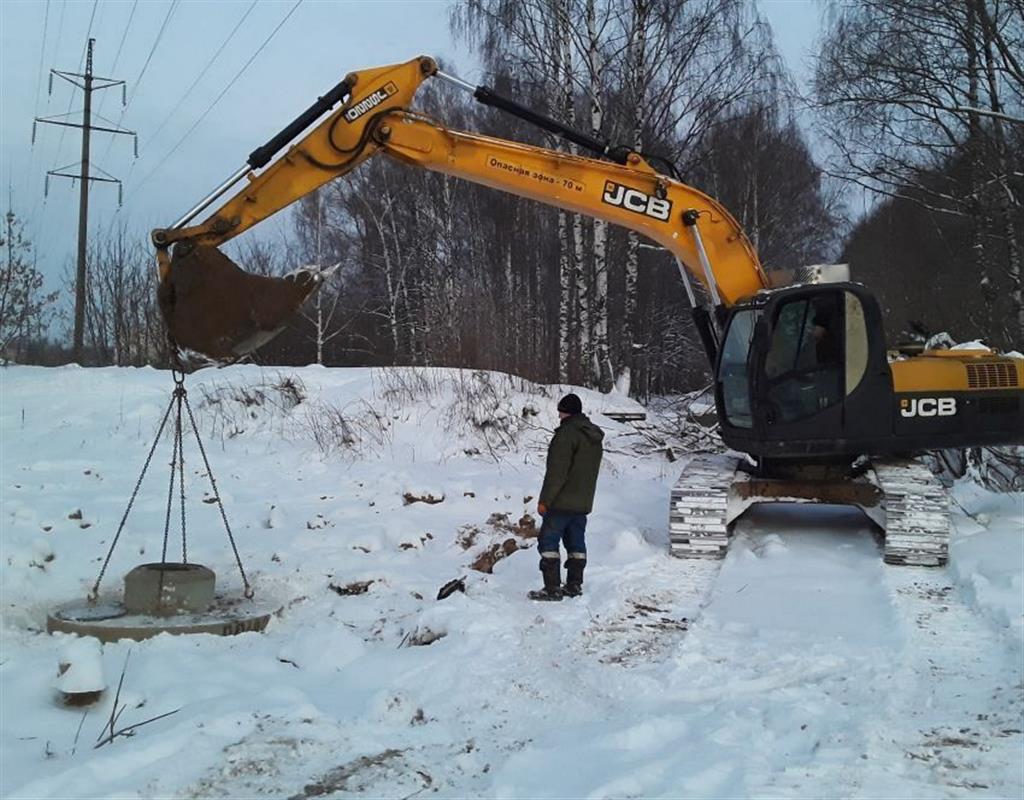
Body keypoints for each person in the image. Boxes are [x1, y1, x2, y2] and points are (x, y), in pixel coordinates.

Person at [530, 393, 604, 601]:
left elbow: (557, 473)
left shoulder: (566, 435)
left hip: (561, 502)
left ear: (565, 412)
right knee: (576, 545)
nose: (559, 415)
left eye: (560, 411)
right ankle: (574, 585)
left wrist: (545, 500)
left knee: (548, 543)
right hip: (582, 503)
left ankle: (552, 589)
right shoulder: (593, 436)